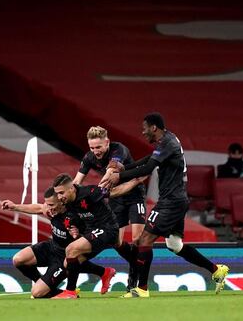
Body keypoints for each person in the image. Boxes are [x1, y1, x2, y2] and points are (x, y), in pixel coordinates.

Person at [99, 112, 230, 298]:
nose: (143, 133)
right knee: (175, 245)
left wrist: (118, 176)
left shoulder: (168, 143)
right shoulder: (167, 139)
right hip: (177, 200)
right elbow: (150, 160)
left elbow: (148, 168)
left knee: (144, 240)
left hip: (170, 202)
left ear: (154, 128)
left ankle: (142, 289)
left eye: (145, 129)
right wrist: (125, 168)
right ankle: (217, 270)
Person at [1, 187, 115, 299]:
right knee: (18, 259)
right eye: (47, 204)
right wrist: (15, 206)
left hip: (63, 257)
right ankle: (51, 287)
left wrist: (78, 235)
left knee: (36, 293)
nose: (48, 208)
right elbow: (38, 207)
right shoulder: (50, 209)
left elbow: (89, 236)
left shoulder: (76, 215)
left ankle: (51, 288)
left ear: (61, 202)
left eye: (51, 205)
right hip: (51, 246)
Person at [72, 126, 148, 292]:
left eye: (98, 147)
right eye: (92, 147)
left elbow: (110, 172)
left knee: (137, 239)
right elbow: (76, 182)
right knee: (117, 242)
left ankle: (135, 278)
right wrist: (68, 196)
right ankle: (135, 263)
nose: (95, 151)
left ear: (107, 142)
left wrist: (97, 192)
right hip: (116, 198)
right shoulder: (89, 157)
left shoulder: (118, 150)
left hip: (134, 193)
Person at [53, 173, 123, 299]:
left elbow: (116, 191)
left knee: (71, 249)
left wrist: (136, 180)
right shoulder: (68, 202)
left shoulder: (90, 192)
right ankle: (104, 272)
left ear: (72, 188)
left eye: (61, 193)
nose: (59, 197)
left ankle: (70, 292)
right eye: (57, 193)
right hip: (93, 232)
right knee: (67, 263)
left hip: (107, 229)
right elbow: (40, 208)